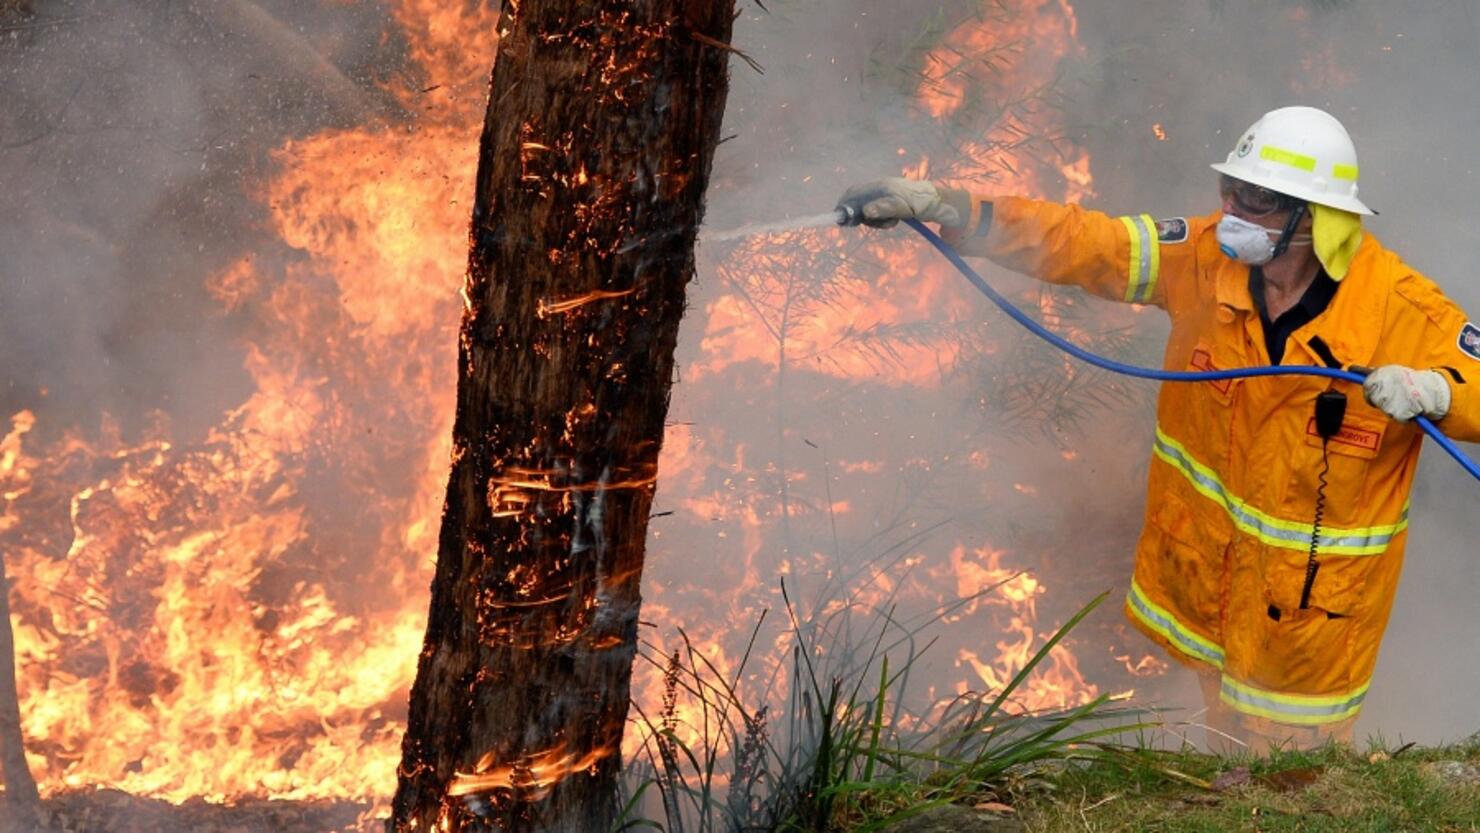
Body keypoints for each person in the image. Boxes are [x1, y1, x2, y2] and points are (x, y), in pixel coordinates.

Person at [836, 106, 1480, 752]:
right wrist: (954, 208)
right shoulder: (1201, 258)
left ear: (1314, 219)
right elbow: (1088, 243)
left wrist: (1436, 392)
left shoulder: (1398, 308)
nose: (1231, 209)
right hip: (1213, 592)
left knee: (1293, 781)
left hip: (1311, 629)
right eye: (1230, 188)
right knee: (1223, 755)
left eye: (1255, 198)